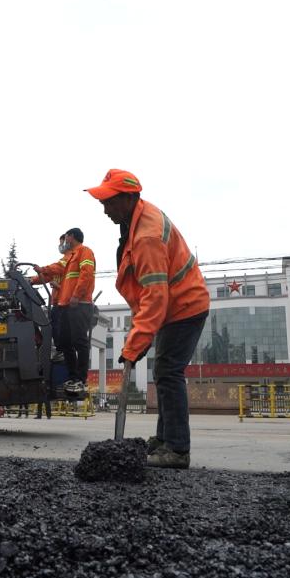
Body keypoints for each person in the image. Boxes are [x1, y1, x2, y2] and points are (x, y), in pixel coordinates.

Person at [85, 169, 210, 469]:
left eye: (109, 202)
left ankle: (177, 450)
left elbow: (155, 297)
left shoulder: (147, 237)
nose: (104, 209)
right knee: (165, 372)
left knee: (168, 372)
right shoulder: (136, 221)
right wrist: (138, 335)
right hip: (173, 308)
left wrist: (133, 345)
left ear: (129, 198)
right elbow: (146, 293)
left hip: (184, 307)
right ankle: (164, 439)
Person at [32, 229, 96, 395]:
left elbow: (86, 274)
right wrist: (35, 276)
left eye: (65, 238)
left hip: (79, 304)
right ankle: (73, 377)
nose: (63, 242)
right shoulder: (70, 257)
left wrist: (76, 295)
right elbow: (55, 269)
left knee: (79, 341)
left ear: (71, 237)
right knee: (66, 342)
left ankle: (81, 379)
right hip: (66, 305)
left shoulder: (84, 252)